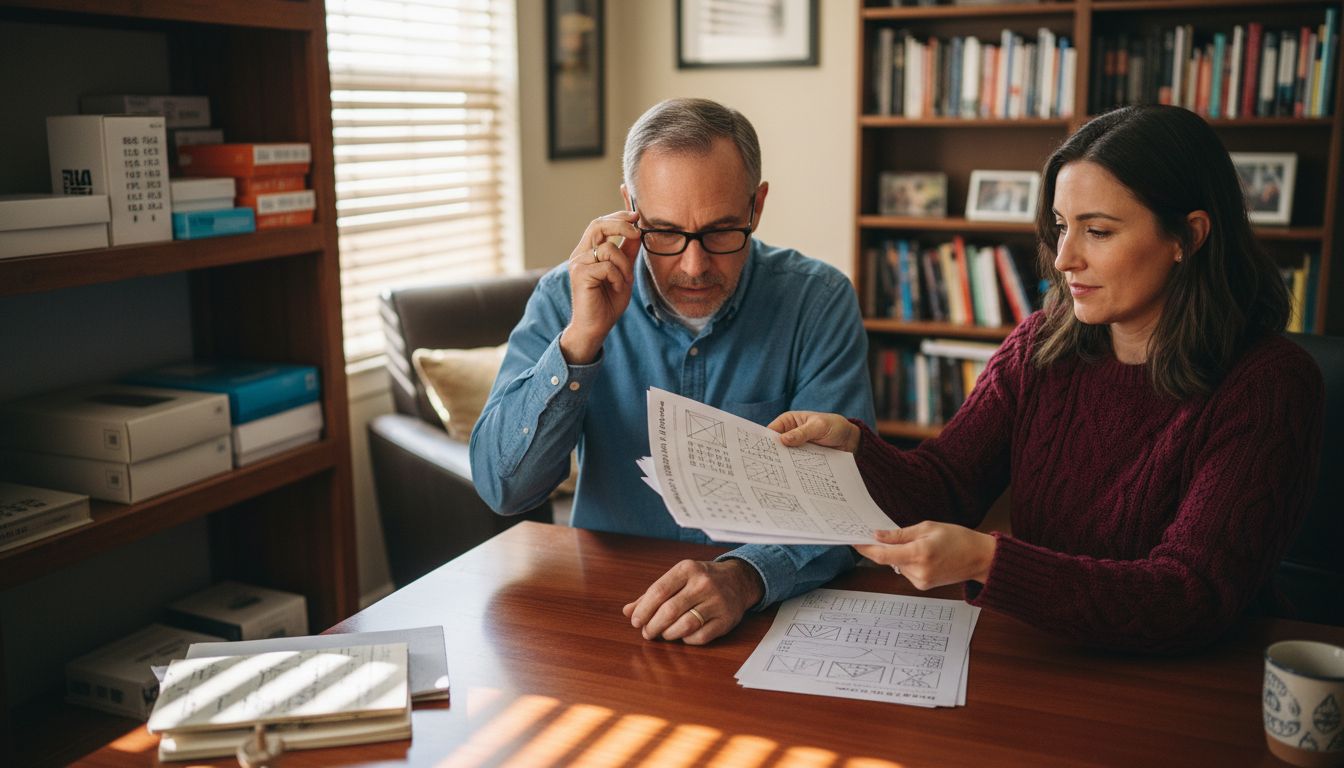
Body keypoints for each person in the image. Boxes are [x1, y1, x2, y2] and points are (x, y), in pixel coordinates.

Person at [769, 104, 1323, 654]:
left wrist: (988, 561)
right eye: (1060, 227)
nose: (1063, 259)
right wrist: (854, 445)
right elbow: (944, 485)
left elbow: (1189, 594)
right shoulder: (1042, 343)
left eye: (1098, 232)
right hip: (1047, 657)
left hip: (1196, 684)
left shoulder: (1268, 385)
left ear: (1189, 235)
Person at [470, 98, 876, 645]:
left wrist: (744, 576)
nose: (693, 266)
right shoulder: (565, 300)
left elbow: (842, 504)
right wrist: (580, 343)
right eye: (663, 233)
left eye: (721, 231)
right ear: (628, 209)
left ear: (756, 207)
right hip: (608, 608)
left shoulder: (818, 302)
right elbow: (503, 489)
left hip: (765, 615)